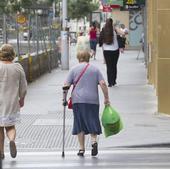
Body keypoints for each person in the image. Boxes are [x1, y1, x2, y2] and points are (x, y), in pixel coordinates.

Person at [63, 37, 110, 157]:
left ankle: (81, 149)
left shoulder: (73, 70)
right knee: (93, 121)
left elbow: (66, 86)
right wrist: (106, 98)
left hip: (78, 101)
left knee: (80, 123)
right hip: (93, 101)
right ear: (89, 57)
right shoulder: (95, 69)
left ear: (78, 58)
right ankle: (94, 141)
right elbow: (103, 84)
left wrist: (64, 99)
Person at [0, 44, 27, 159]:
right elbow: (23, 86)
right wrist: (21, 99)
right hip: (11, 102)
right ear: (13, 54)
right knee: (10, 126)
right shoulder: (17, 67)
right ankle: (11, 140)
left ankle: (1, 152)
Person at [100, 18, 124, 87]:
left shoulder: (103, 29)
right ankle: (114, 81)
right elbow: (123, 33)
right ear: (112, 22)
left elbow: (101, 42)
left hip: (106, 51)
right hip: (115, 50)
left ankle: (110, 82)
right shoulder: (114, 29)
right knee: (114, 66)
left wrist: (103, 56)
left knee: (109, 67)